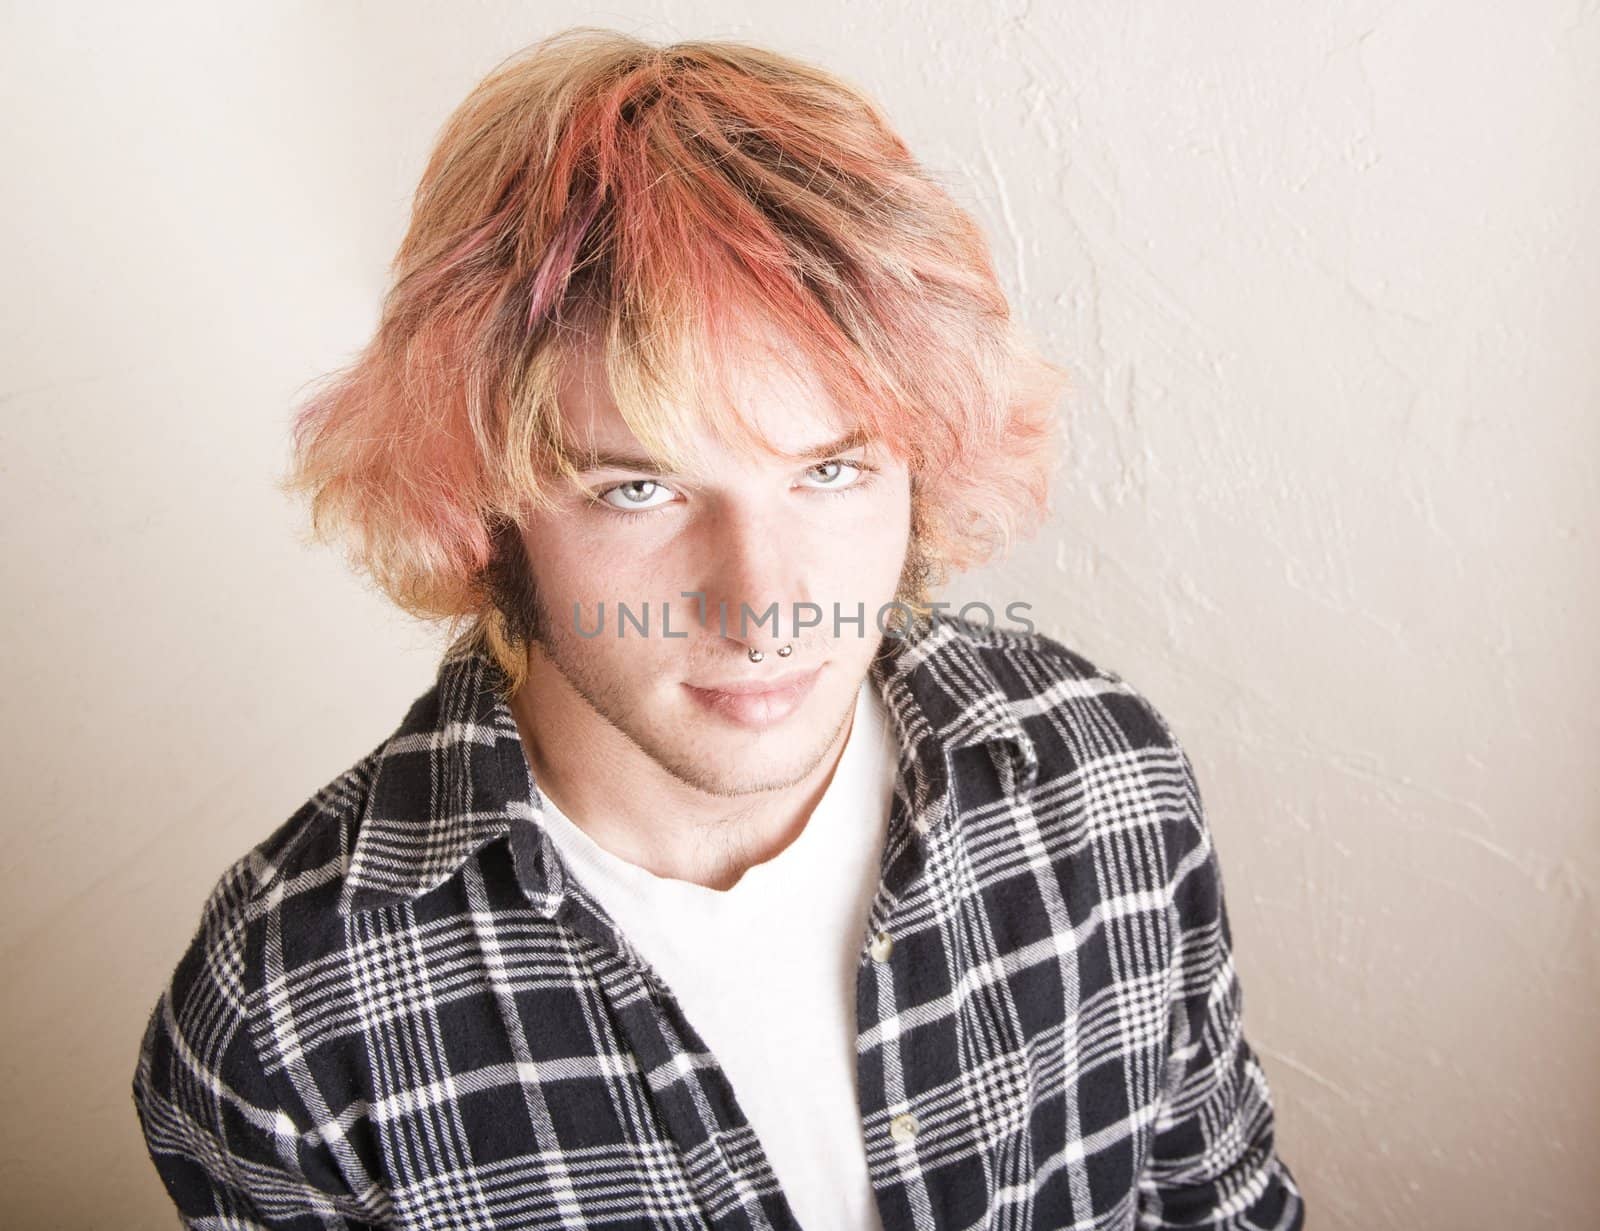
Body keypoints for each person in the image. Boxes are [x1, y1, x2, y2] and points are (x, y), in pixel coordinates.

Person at [131, 27, 1305, 1231]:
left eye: (833, 469)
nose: (764, 605)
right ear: (479, 501)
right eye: (636, 488)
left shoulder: (1103, 778)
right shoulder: (286, 1022)